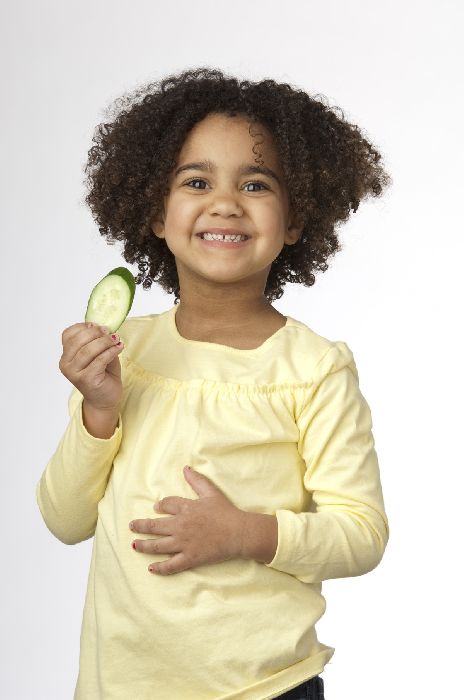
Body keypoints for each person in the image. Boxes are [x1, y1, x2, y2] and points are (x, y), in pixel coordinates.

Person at [36, 67, 391, 700]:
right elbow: (65, 520)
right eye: (197, 182)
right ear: (157, 212)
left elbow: (361, 535)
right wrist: (98, 412)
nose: (225, 203)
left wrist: (243, 533)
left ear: (295, 220)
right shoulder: (123, 355)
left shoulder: (314, 370)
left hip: (265, 687)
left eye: (255, 184)